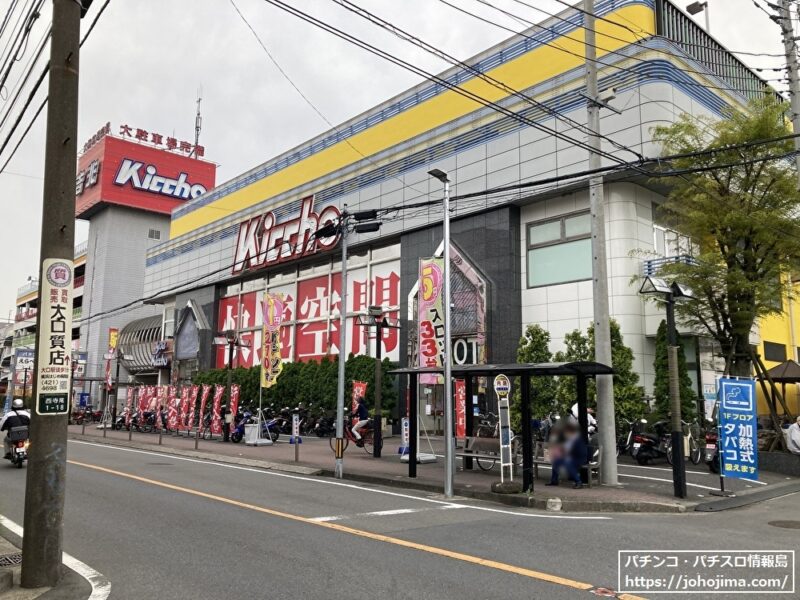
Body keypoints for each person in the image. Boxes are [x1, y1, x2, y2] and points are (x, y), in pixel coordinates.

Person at [546, 422, 588, 489]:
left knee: (568, 463)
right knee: (556, 462)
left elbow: (580, 453)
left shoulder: (577, 440)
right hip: (569, 457)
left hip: (578, 458)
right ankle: (554, 481)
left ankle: (578, 482)